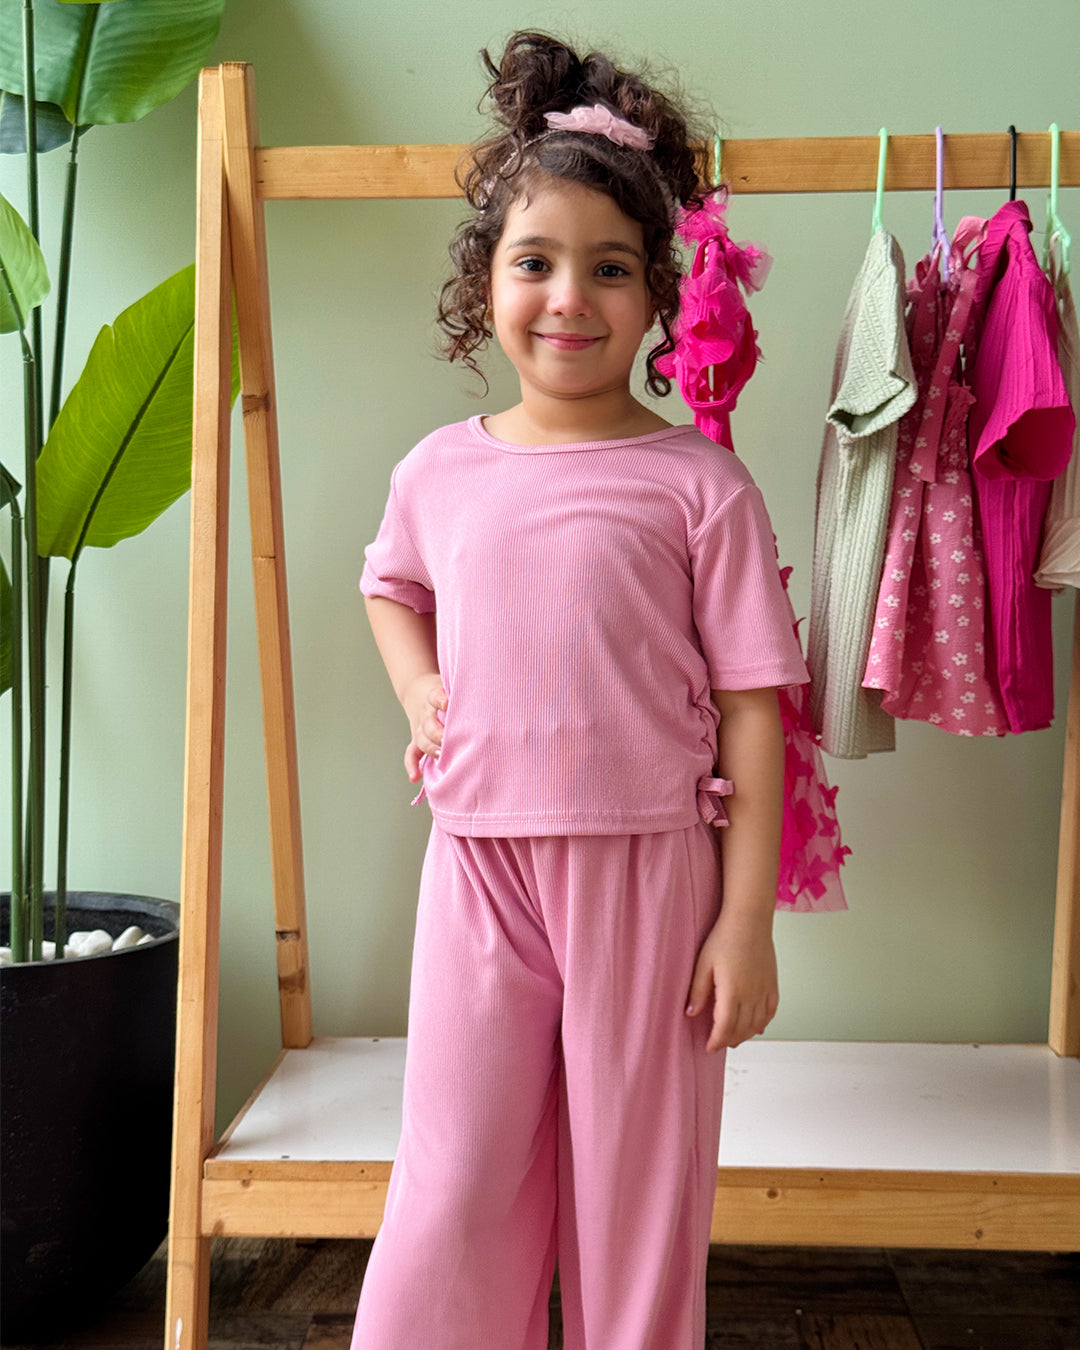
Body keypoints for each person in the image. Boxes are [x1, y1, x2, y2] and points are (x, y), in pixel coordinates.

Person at [350, 31, 809, 1350]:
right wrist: (422, 688)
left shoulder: (698, 486)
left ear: (659, 294)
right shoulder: (439, 471)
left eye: (611, 269)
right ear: (482, 283)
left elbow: (754, 709)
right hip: (480, 865)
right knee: (456, 1169)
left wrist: (745, 923)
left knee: (637, 1189)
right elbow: (391, 586)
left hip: (653, 880)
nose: (570, 298)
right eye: (535, 262)